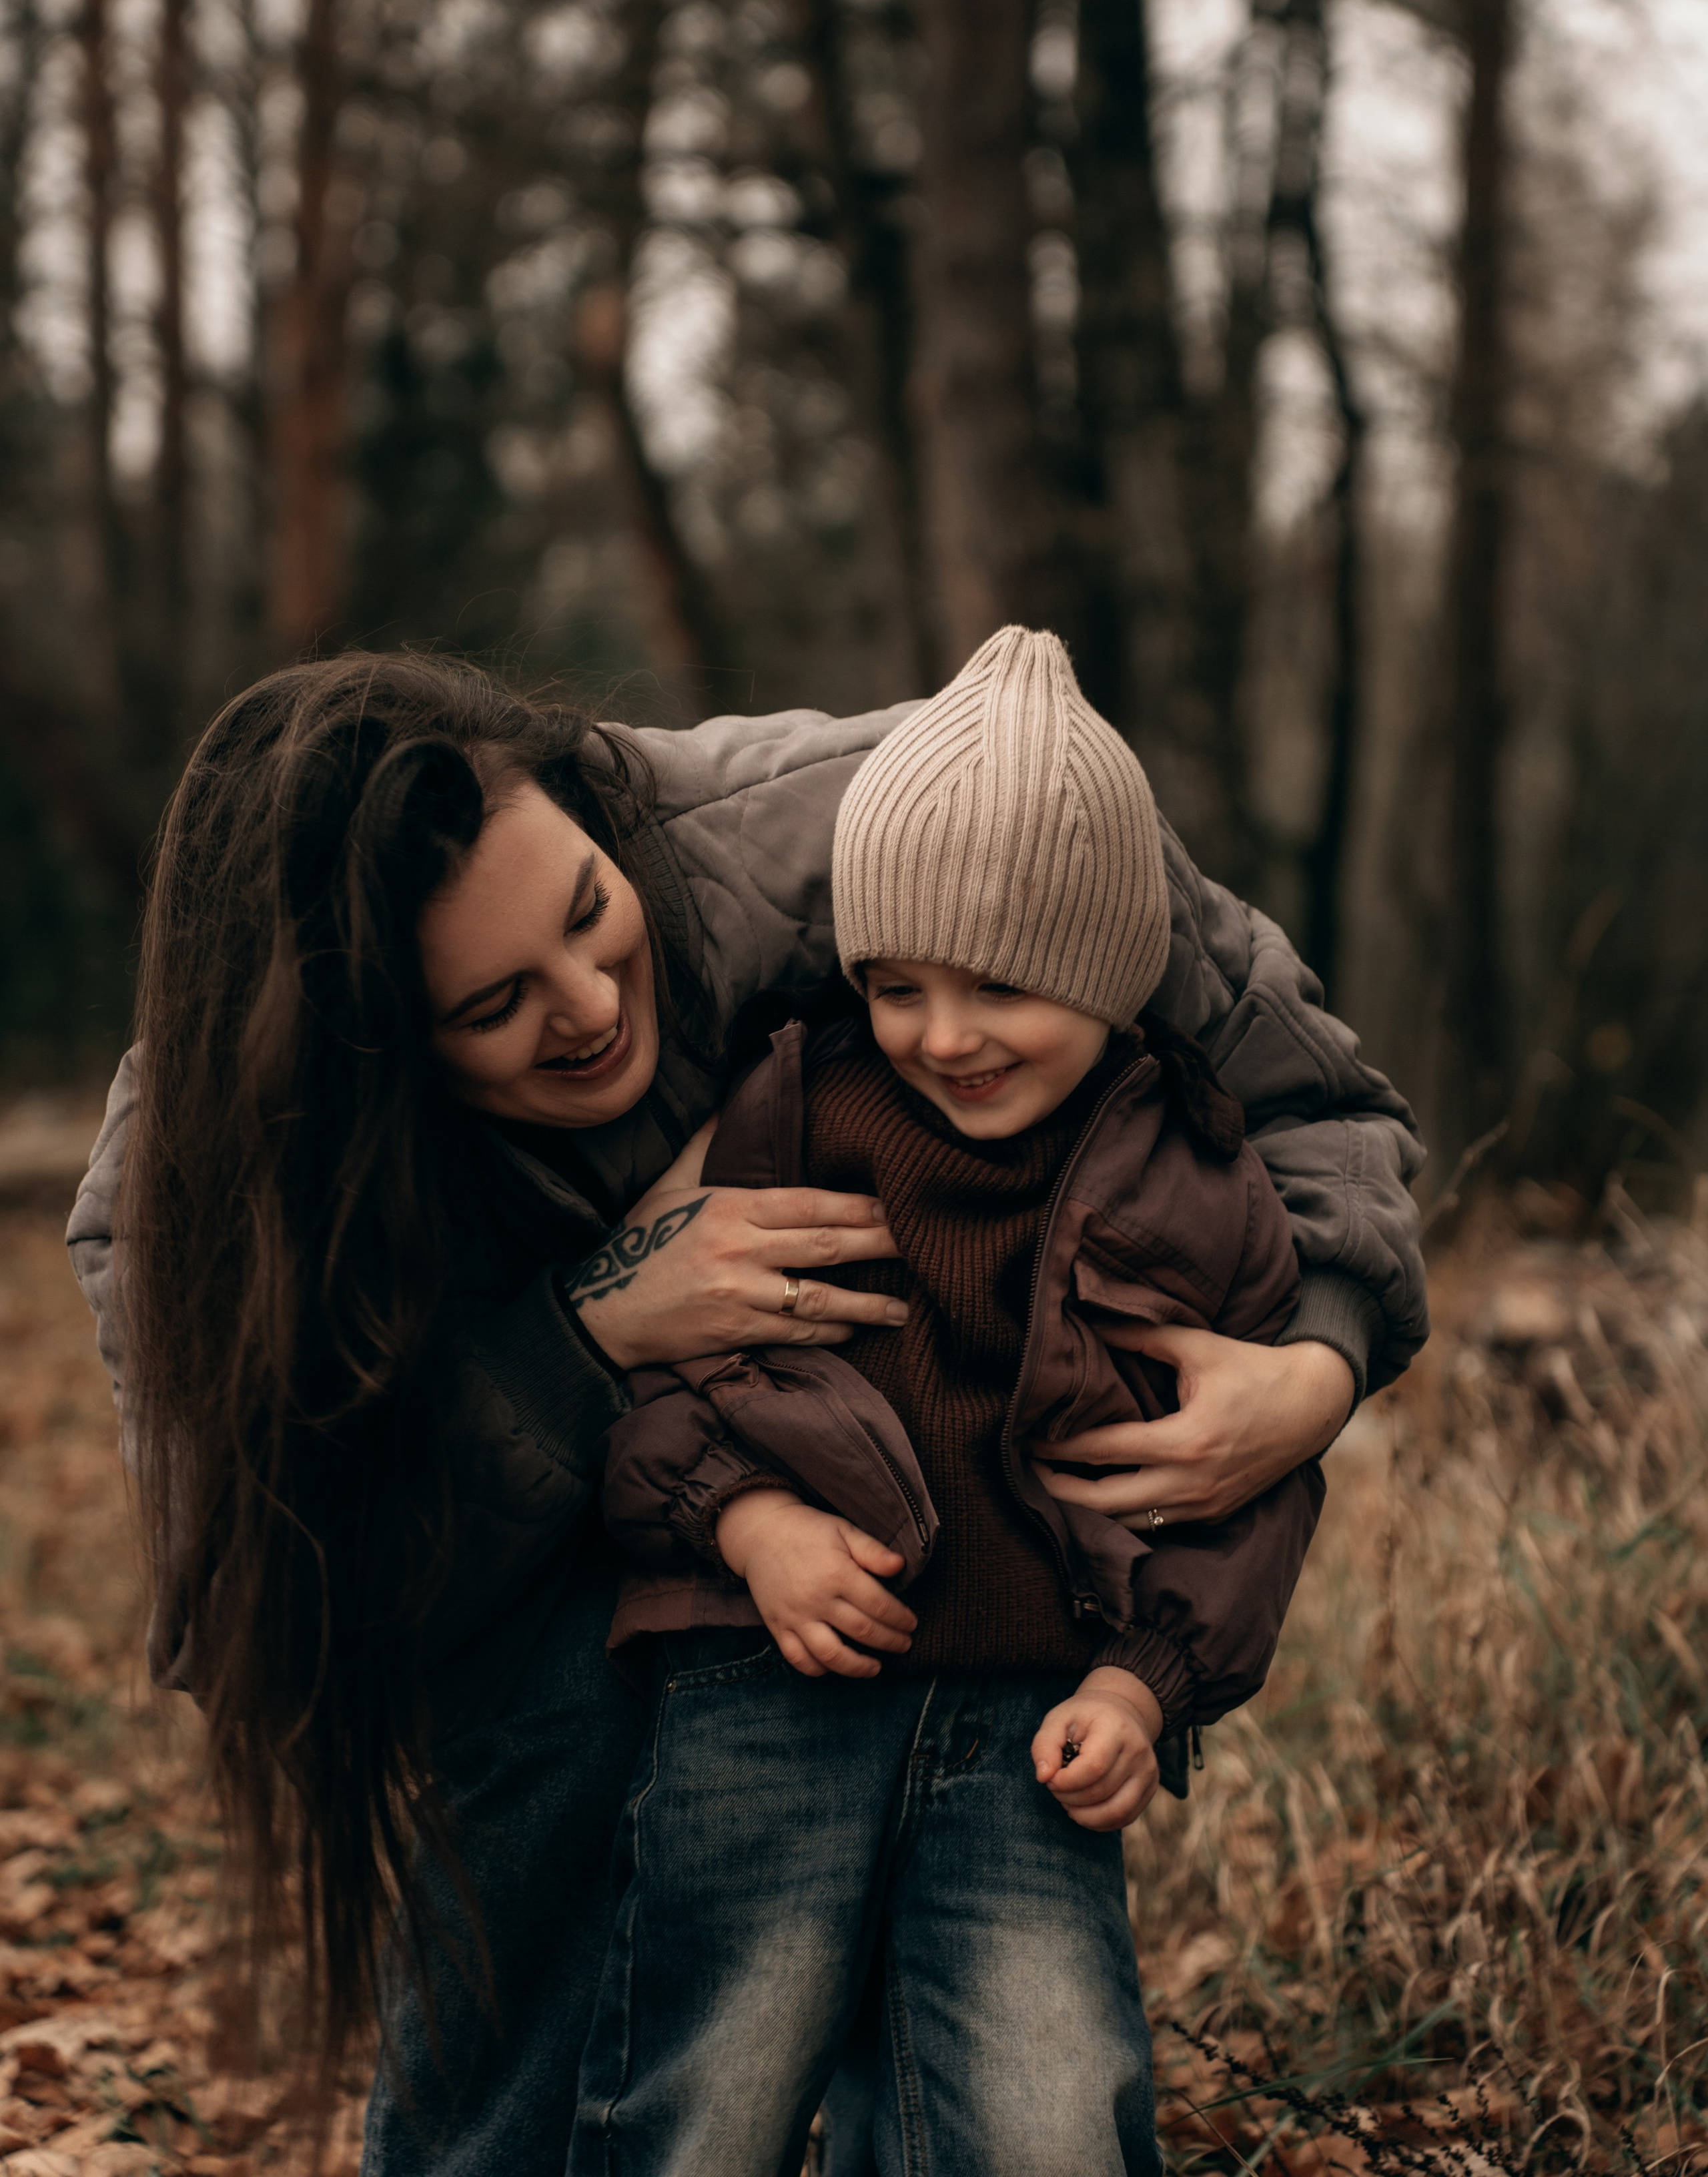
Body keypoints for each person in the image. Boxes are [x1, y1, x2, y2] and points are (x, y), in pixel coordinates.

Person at [65, 648, 1426, 2176]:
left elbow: (1310, 1102)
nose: (588, 1006)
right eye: (493, 1004)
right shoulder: (200, 1192)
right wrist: (589, 1335)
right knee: (582, 1758)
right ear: (364, 1049)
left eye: (587, 911)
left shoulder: (909, 826)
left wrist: (1310, 1369)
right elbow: (255, 1611)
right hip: (567, 1596)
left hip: (950, 1577)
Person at [576, 630, 1324, 2177]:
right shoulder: (792, 1108)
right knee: (700, 2095)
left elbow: (1245, 1486)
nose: (942, 1034)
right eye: (896, 983)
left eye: (1000, 985)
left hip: (1032, 1722)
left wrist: (1143, 1683)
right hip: (763, 1690)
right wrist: (753, 1523)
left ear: (1110, 973)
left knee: (1050, 2113)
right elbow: (661, 1388)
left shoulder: (1197, 1180)